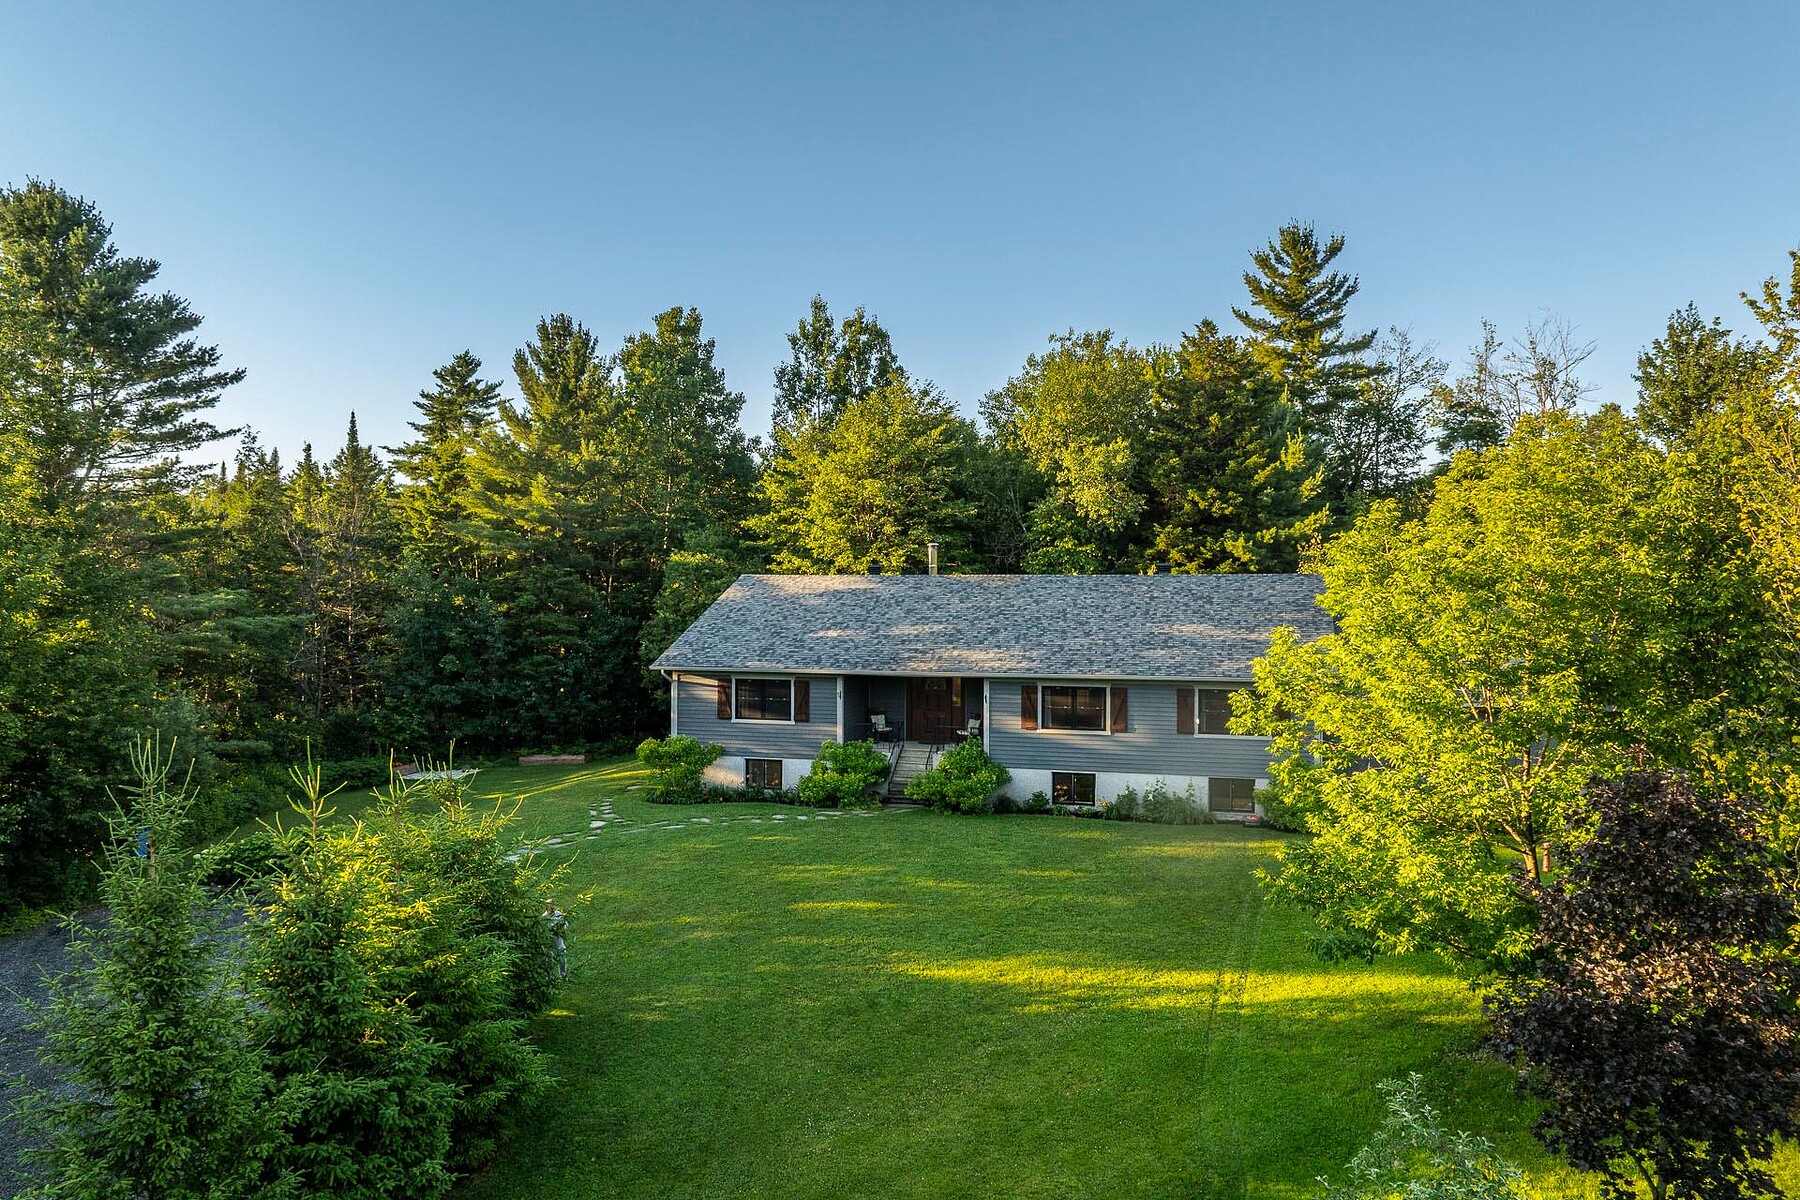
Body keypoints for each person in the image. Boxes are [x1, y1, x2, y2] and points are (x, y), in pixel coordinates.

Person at [544, 898, 569, 980]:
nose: (551, 906)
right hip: (549, 942)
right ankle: (549, 978)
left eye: (551, 904)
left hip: (558, 939)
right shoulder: (544, 917)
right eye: (548, 905)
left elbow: (565, 924)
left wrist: (561, 929)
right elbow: (543, 931)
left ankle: (563, 975)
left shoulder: (558, 914)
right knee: (549, 960)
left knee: (562, 956)